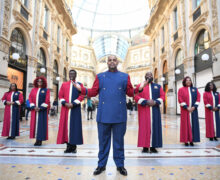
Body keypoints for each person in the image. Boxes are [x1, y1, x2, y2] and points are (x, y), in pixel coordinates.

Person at [74, 55, 139, 176]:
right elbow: (93, 91)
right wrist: (82, 89)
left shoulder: (125, 76)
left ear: (117, 62)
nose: (112, 62)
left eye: (114, 60)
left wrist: (139, 87)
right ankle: (101, 165)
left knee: (119, 142)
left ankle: (120, 165)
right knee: (103, 142)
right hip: (104, 114)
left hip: (119, 115)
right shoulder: (100, 76)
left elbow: (130, 93)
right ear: (107, 62)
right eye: (110, 60)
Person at [134, 72, 165, 153]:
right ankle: (145, 146)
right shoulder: (140, 86)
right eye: (147, 75)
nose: (149, 76)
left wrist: (155, 102)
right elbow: (136, 96)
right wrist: (146, 101)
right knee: (144, 127)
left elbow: (162, 96)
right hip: (144, 110)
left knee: (155, 127)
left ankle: (153, 146)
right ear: (145, 76)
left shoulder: (158, 86)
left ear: (153, 77)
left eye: (150, 75)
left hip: (155, 110)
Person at [57, 69, 85, 153]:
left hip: (75, 109)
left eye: (73, 74)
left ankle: (74, 146)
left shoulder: (79, 85)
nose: (71, 75)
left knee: (74, 127)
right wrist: (65, 103)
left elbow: (82, 95)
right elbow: (60, 95)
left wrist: (73, 103)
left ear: (76, 75)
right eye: (70, 74)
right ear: (68, 75)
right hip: (65, 109)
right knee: (65, 127)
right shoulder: (64, 84)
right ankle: (68, 146)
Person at [178, 76, 200, 146]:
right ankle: (186, 140)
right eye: (187, 80)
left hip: (194, 110)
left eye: (189, 80)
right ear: (184, 82)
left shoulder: (195, 89)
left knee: (194, 124)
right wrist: (186, 107)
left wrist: (194, 107)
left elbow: (198, 98)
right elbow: (180, 98)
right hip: (185, 110)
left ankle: (192, 140)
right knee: (185, 125)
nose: (188, 81)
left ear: (191, 81)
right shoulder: (181, 89)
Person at [29, 76, 50, 146]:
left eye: (41, 81)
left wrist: (40, 108)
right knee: (34, 125)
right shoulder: (33, 90)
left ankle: (40, 139)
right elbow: (30, 98)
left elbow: (47, 100)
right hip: (34, 110)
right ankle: (36, 139)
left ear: (43, 82)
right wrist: (33, 107)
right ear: (36, 82)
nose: (39, 82)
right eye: (38, 81)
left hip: (42, 111)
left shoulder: (46, 90)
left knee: (41, 125)